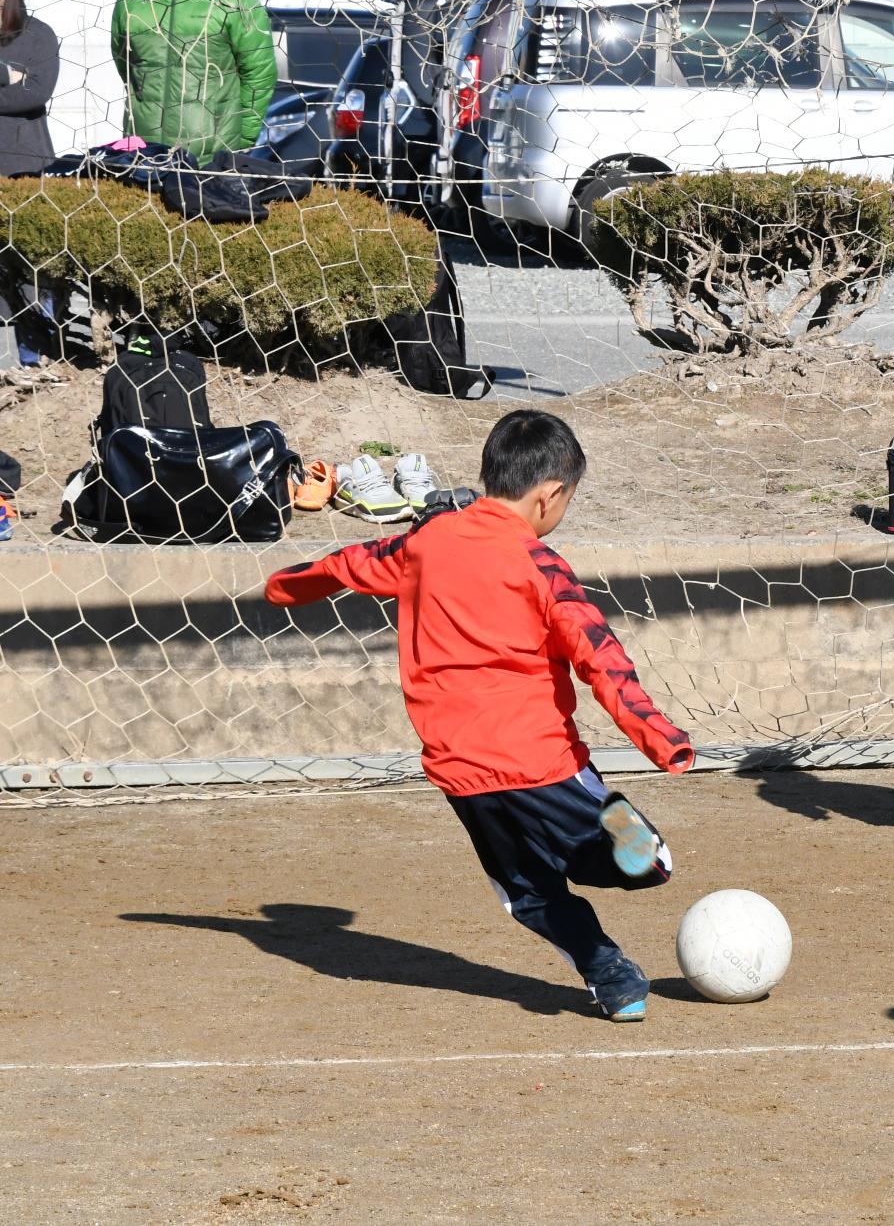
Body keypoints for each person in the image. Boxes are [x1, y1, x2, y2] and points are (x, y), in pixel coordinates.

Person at [264, 410, 696, 1023]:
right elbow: (598, 652)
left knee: (525, 892)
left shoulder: (421, 543)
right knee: (619, 863)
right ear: (550, 495)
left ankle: (613, 978)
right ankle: (633, 854)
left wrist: (285, 585)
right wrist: (660, 739)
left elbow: (347, 563)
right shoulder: (538, 564)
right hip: (540, 761)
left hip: (459, 770)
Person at [110, 0, 276, 161]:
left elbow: (259, 77)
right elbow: (126, 64)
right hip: (145, 156)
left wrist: (240, 141)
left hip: (210, 160)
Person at [0, 0, 61, 366]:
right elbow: (18, 90)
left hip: (22, 165)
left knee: (31, 269)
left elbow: (35, 95)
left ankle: (37, 358)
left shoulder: (36, 34)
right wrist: (9, 76)